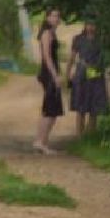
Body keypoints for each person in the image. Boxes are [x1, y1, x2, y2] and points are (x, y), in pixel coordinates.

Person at [67, 21, 109, 136]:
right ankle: (79, 136)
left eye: (93, 24)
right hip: (82, 73)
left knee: (93, 107)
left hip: (95, 72)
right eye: (88, 24)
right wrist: (68, 72)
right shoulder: (78, 39)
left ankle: (91, 137)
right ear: (85, 25)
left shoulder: (100, 40)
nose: (91, 27)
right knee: (81, 106)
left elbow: (104, 58)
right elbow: (72, 57)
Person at [33, 9, 64, 154]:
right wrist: (55, 75)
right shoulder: (46, 33)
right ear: (47, 17)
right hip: (48, 72)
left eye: (58, 16)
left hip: (52, 72)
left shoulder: (52, 33)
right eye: (53, 15)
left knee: (51, 109)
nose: (56, 18)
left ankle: (41, 141)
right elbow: (47, 56)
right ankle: (41, 142)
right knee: (50, 109)